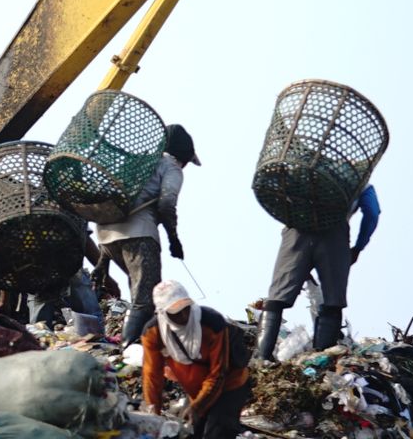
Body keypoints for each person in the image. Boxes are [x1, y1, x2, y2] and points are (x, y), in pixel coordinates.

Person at [92, 124, 199, 344]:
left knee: (140, 295)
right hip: (139, 236)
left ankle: (143, 345)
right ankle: (126, 348)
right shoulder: (172, 167)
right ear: (184, 156)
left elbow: (116, 202)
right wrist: (173, 239)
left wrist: (103, 261)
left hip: (105, 235)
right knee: (147, 300)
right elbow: (167, 203)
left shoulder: (138, 162)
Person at [255, 183, 381, 359]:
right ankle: (319, 358)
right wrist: (358, 247)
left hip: (297, 229)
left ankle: (263, 358)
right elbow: (372, 213)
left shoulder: (303, 175)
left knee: (277, 298)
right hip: (335, 236)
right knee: (333, 303)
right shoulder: (360, 182)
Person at [142, 280, 251, 439]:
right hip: (197, 390)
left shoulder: (212, 323)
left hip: (230, 385)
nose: (184, 315)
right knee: (187, 434)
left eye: (186, 308)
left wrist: (197, 407)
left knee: (217, 433)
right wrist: (153, 415)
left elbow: (218, 373)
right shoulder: (153, 332)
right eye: (176, 312)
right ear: (163, 313)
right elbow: (152, 376)